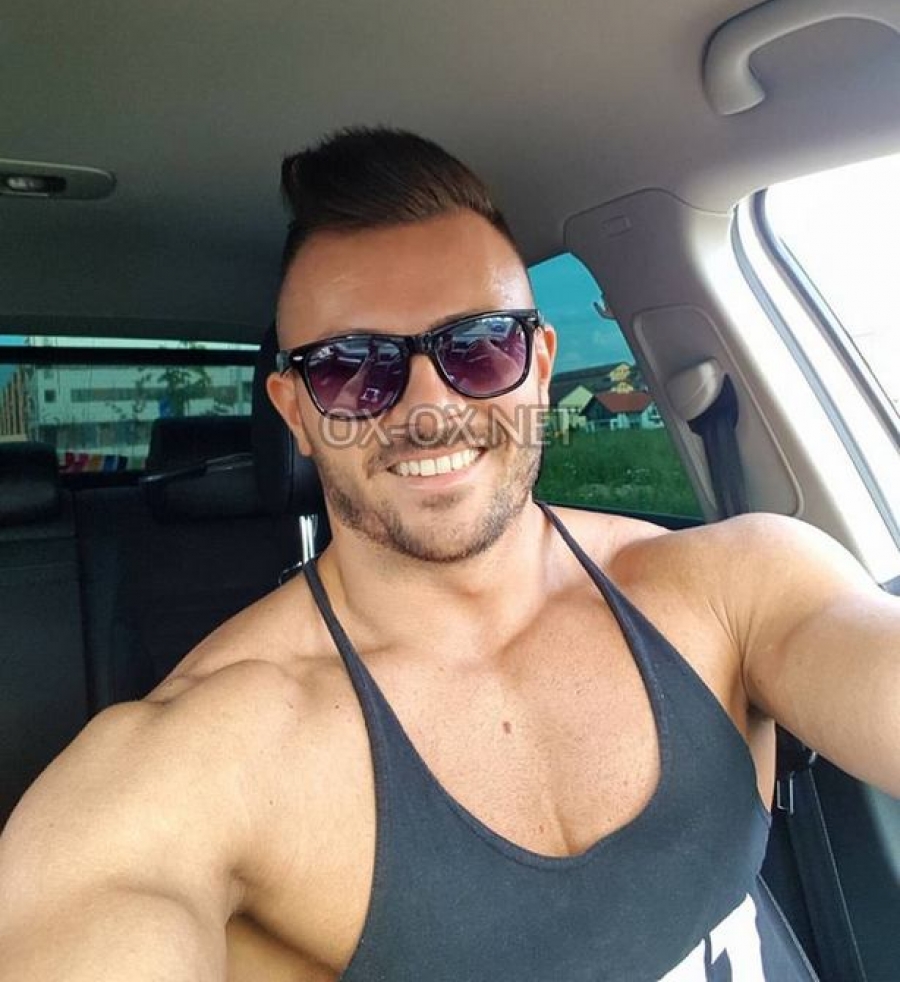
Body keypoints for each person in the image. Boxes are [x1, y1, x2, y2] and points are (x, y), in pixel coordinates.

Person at [0, 127, 897, 981]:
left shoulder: (734, 585)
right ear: (297, 413)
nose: (428, 406)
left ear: (538, 367)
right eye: (354, 366)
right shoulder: (200, 758)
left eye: (479, 346)